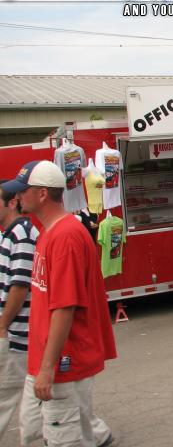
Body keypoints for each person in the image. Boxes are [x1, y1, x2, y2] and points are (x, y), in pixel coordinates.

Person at [2, 160, 116, 446]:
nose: (18, 196)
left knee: (63, 437)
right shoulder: (48, 232)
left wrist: (48, 367)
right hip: (47, 359)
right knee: (34, 429)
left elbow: (65, 307)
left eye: (23, 190)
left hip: (63, 361)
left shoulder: (65, 236)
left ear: (42, 194)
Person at [0, 180, 38, 442]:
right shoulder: (9, 233)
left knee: (5, 394)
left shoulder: (21, 234)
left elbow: (20, 286)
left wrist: (3, 324)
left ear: (11, 203)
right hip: (15, 332)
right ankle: (93, 431)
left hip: (17, 333)